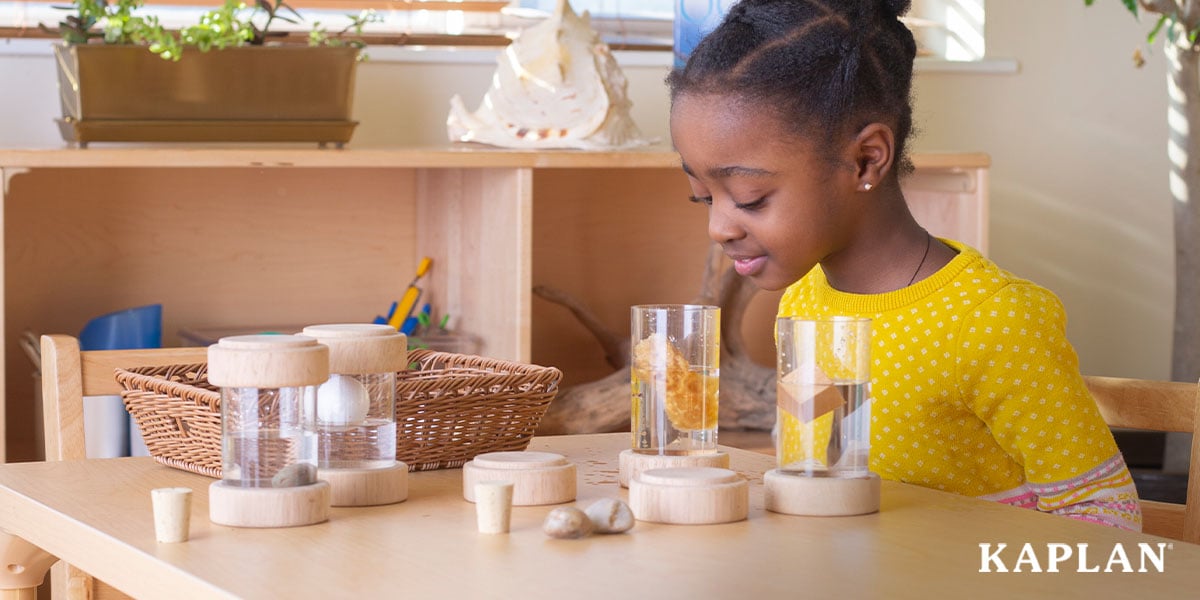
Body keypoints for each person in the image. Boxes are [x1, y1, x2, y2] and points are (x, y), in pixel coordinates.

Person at [667, 0, 1141, 530]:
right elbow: (817, 485)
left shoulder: (992, 322)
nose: (718, 228)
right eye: (703, 197)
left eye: (750, 197)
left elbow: (1107, 517)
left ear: (867, 159)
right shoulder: (805, 304)